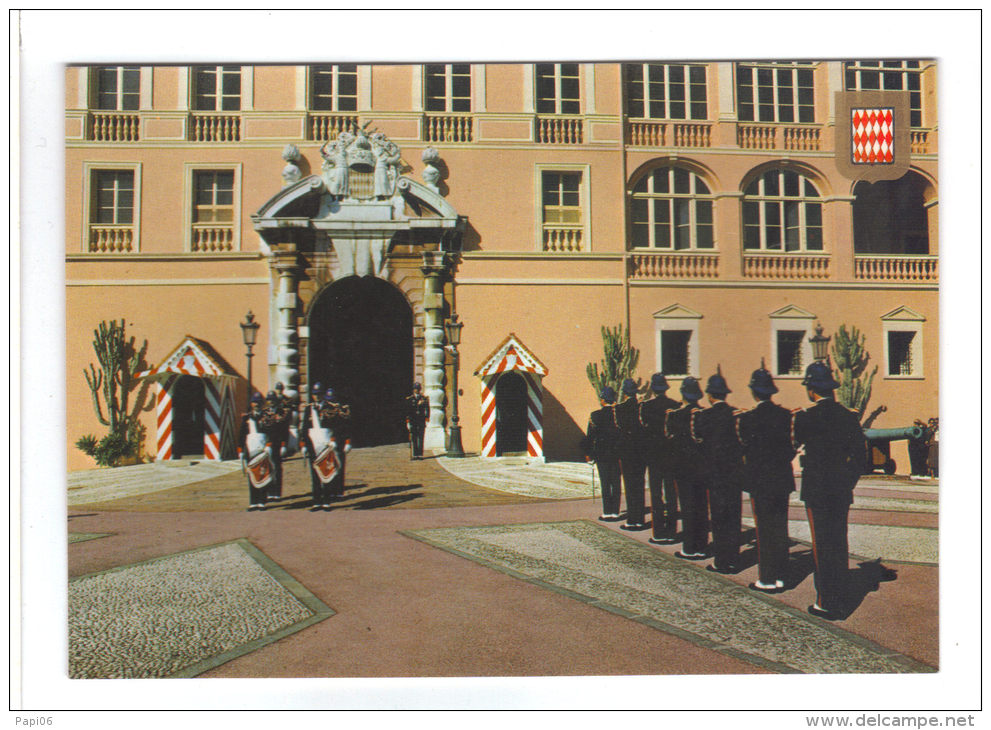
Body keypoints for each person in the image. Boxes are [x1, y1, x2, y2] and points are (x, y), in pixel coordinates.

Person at [791, 361, 867, 619]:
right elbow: (860, 458)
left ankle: (826, 602)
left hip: (815, 490)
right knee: (838, 541)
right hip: (840, 489)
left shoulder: (804, 417)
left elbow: (795, 442)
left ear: (812, 390)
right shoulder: (848, 416)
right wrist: (847, 482)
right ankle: (840, 597)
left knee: (821, 546)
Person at [735, 361, 796, 593]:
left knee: (764, 529)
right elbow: (792, 447)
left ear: (753, 392)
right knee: (780, 527)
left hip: (759, 480)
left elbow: (743, 448)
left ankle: (768, 578)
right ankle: (782, 574)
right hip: (781, 478)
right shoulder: (786, 416)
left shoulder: (746, 419)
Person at [691, 368, 744, 574]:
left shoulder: (703, 416)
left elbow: (697, 438)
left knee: (719, 517)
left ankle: (722, 561)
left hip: (713, 473)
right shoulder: (735, 414)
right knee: (734, 516)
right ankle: (733, 558)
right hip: (733, 472)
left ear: (710, 395)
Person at [665, 377, 708, 560]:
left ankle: (689, 547)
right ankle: (702, 546)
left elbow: (669, 439)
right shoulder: (704, 414)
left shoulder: (674, 415)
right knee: (701, 507)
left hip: (683, 468)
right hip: (701, 467)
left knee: (688, 507)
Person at [639, 373, 681, 544]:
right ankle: (671, 531)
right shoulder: (675, 405)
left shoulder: (646, 407)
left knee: (656, 494)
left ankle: (659, 532)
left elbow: (644, 431)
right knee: (671, 493)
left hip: (654, 455)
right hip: (670, 455)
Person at [302, 388, 353, 509]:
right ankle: (316, 501)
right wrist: (303, 444)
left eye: (319, 394)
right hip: (313, 444)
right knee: (315, 474)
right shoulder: (308, 409)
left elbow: (336, 425)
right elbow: (304, 428)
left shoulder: (331, 408)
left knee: (326, 472)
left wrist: (334, 440)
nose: (316, 397)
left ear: (323, 395)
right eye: (314, 394)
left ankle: (326, 501)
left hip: (325, 444)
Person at [580, 386, 622, 521]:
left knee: (605, 483)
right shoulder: (618, 415)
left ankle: (607, 512)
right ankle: (615, 512)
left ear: (603, 400)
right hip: (616, 453)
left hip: (601, 454)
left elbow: (590, 436)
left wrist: (588, 453)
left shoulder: (595, 415)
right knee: (616, 483)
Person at [613, 378, 648, 530]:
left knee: (630, 485)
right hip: (640, 450)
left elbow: (619, 427)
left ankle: (632, 519)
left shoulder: (619, 409)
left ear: (624, 393)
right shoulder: (642, 407)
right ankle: (639, 519)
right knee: (639, 485)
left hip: (627, 451)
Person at [238, 393, 273, 511]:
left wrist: (269, 445)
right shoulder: (246, 418)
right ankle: (253, 502)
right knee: (252, 475)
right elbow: (242, 435)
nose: (256, 404)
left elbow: (271, 432)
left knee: (262, 474)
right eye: (254, 402)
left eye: (258, 402)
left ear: (261, 404)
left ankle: (262, 501)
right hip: (250, 450)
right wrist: (240, 450)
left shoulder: (267, 416)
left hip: (262, 450)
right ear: (251, 404)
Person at [261, 390, 290, 502]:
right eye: (269, 400)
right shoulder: (264, 413)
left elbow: (285, 430)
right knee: (267, 467)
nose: (270, 402)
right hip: (267, 444)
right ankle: (269, 491)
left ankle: (277, 492)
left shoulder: (282, 412)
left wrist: (284, 445)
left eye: (272, 400)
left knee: (277, 468)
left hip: (278, 443)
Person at [404, 382, 430, 460]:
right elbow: (407, 411)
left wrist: (427, 417)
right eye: (415, 389)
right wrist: (408, 421)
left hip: (421, 420)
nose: (417, 390)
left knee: (421, 437)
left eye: (418, 389)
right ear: (413, 390)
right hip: (413, 420)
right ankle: (415, 454)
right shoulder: (410, 399)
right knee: (414, 437)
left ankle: (420, 454)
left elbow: (427, 409)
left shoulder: (424, 398)